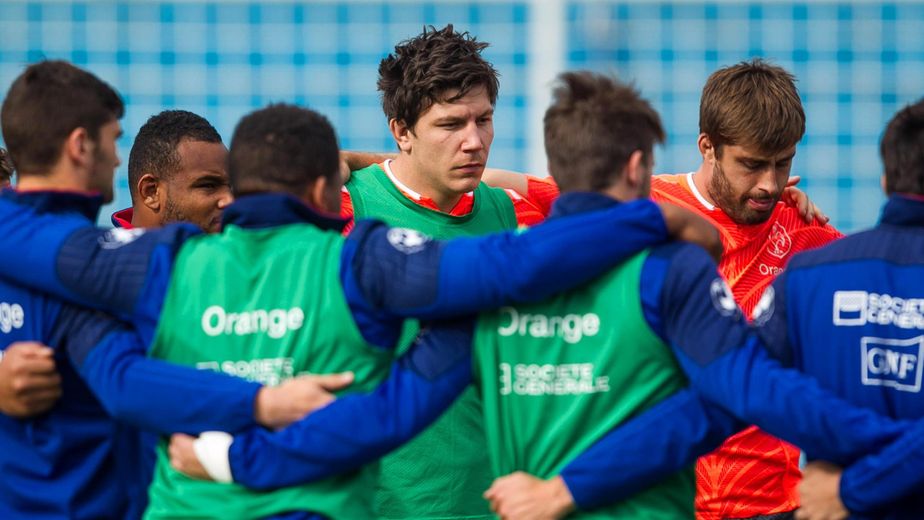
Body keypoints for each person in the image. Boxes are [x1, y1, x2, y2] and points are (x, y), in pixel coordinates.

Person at [170, 73, 911, 520]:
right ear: (642, 167)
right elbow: (738, 392)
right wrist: (884, 469)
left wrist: (235, 457)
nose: (771, 185)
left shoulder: (489, 285)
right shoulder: (672, 268)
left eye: (482, 123)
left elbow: (386, 415)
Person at [0, 86, 715, 517]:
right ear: (324, 192)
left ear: (240, 188)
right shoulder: (361, 262)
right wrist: (647, 219)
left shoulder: (154, 265)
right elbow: (508, 268)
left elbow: (113, 368)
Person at [481, 59, 841, 519]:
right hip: (659, 498)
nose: (769, 184)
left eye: (781, 163)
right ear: (707, 147)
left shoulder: (807, 232)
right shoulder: (637, 203)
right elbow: (491, 183)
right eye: (752, 165)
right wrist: (384, 167)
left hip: (772, 505)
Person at [0, 60, 343, 519]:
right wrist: (264, 403)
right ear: (81, 145)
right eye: (113, 140)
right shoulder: (100, 276)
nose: (116, 159)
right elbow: (124, 381)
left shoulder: (48, 252)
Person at [342, 24, 555, 520]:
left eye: (484, 120)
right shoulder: (347, 209)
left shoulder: (511, 213)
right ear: (402, 132)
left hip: (494, 502)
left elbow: (610, 208)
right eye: (450, 124)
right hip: (380, 505)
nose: (474, 141)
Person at [111, 110, 231, 232]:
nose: (230, 200)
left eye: (232, 187)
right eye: (209, 185)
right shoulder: (102, 244)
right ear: (151, 192)